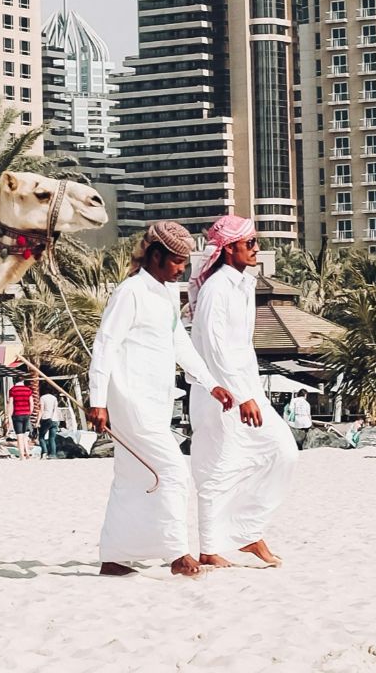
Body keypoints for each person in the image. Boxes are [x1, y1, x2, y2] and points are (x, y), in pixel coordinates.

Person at [86, 220, 235, 578]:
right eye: (176, 261)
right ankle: (178, 554)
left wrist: (211, 383)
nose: (182, 269)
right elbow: (104, 344)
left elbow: (179, 344)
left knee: (130, 477)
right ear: (155, 256)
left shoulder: (166, 295)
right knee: (171, 471)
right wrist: (97, 400)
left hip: (155, 399)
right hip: (130, 400)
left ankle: (114, 557)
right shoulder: (130, 292)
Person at [189, 216, 297, 569]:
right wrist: (240, 395)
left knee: (282, 452)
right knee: (217, 467)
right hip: (220, 393)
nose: (256, 249)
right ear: (229, 248)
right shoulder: (216, 288)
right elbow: (215, 349)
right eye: (250, 243)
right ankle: (209, 547)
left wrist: (249, 392)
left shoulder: (242, 284)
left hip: (247, 388)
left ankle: (247, 531)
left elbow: (238, 348)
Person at [8, 379, 35, 459]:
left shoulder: (12, 390)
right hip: (26, 414)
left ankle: (21, 455)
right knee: (25, 435)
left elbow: (11, 404)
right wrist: (29, 412)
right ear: (23, 381)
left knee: (19, 435)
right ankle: (27, 453)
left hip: (17, 414)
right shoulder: (28, 390)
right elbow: (31, 403)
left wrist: (9, 416)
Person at [37, 389, 60, 458]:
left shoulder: (43, 398)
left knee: (41, 437)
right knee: (52, 438)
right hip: (55, 419)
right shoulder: (54, 398)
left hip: (46, 418)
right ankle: (53, 454)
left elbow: (41, 410)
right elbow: (55, 409)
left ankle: (44, 452)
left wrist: (37, 421)